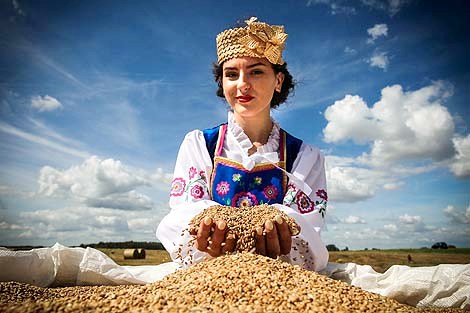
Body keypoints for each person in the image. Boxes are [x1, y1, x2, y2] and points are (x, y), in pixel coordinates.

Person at [156, 17, 328, 271]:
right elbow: (183, 214)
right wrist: (208, 230)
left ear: (278, 80)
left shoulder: (304, 156)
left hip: (281, 277)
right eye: (231, 74)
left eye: (256, 71)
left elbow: (307, 230)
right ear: (222, 82)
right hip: (208, 274)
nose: (242, 84)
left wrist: (283, 231)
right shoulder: (201, 144)